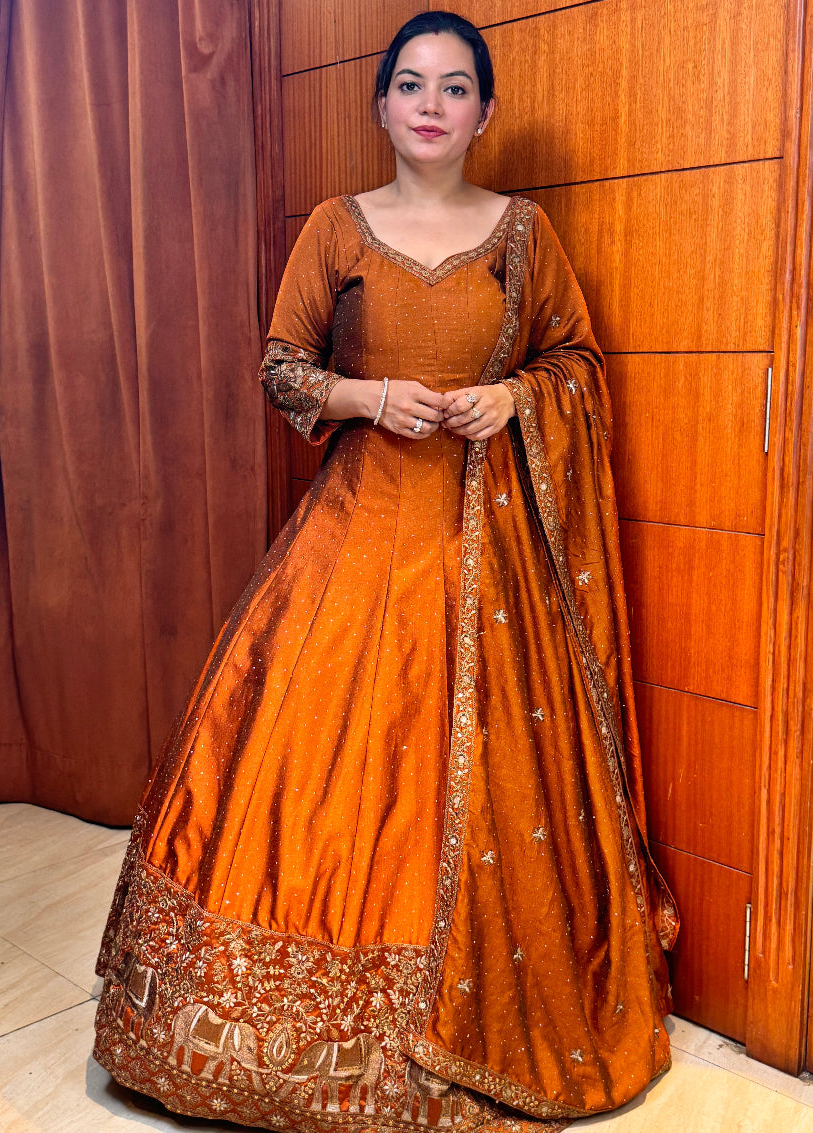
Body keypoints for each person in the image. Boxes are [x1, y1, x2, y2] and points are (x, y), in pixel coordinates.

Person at [93, 12, 679, 1132]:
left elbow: (574, 361)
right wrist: (368, 397)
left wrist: (513, 397)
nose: (429, 102)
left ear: (483, 112)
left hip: (483, 555)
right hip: (352, 533)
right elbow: (279, 366)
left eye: (455, 87)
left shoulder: (522, 234)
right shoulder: (335, 227)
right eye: (409, 83)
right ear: (380, 106)